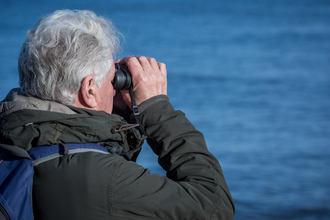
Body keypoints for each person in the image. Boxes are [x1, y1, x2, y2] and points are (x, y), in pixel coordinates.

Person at [0, 9, 235, 220]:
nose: (116, 87)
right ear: (89, 89)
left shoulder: (11, 136)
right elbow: (214, 206)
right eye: (113, 78)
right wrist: (155, 109)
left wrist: (121, 119)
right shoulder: (106, 180)